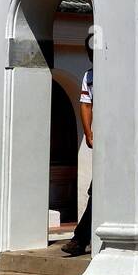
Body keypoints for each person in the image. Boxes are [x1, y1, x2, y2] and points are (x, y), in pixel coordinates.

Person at [60, 45, 94, 257]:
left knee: (98, 192)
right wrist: (88, 132)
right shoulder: (90, 75)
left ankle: (80, 239)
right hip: (107, 142)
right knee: (97, 191)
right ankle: (81, 239)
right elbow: (85, 103)